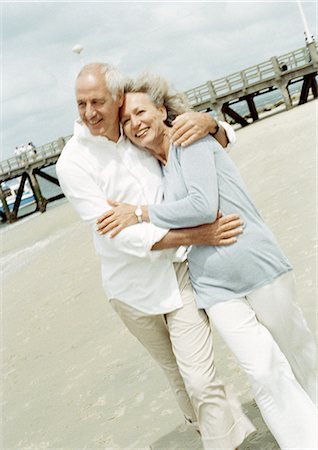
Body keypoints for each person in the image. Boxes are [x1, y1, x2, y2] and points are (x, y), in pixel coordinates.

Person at [96, 72, 318, 449]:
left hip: (259, 266)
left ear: (162, 110)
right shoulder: (153, 172)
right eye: (127, 120)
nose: (135, 123)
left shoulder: (191, 140)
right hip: (214, 288)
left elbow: (202, 205)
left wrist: (139, 213)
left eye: (140, 111)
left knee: (298, 351)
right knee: (263, 372)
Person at [56, 63, 255, 450]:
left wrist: (211, 123)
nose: (89, 113)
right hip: (130, 291)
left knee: (199, 378)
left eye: (97, 102)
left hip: (179, 272)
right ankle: (217, 431)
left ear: (117, 100)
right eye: (81, 104)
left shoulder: (137, 130)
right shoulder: (73, 163)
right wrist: (203, 233)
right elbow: (121, 238)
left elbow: (215, 137)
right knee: (179, 379)